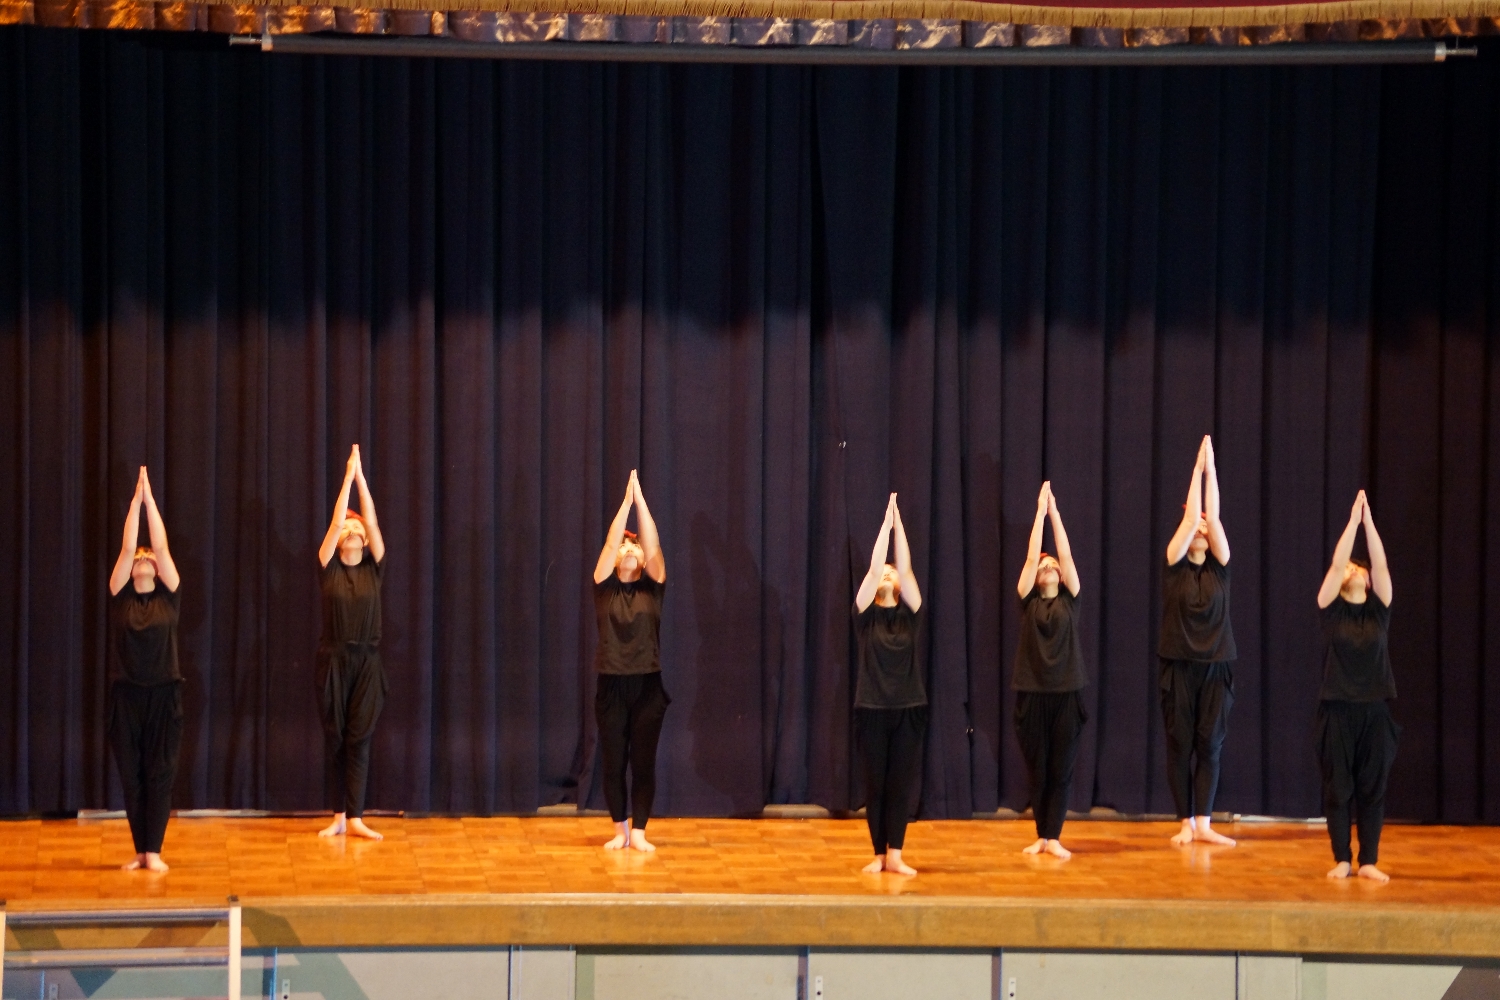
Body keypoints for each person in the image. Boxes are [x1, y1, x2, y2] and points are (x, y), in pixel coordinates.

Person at [1159, 435, 1238, 847]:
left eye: (1206, 525)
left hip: (1216, 664)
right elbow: (1193, 521)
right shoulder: (1174, 564)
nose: (1202, 528)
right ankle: (1186, 821)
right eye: (1196, 525)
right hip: (1178, 663)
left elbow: (1215, 518)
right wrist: (1197, 469)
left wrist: (1212, 473)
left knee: (1211, 742)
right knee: (1181, 742)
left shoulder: (1220, 568)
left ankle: (1205, 823)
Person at [1315, 490, 1396, 883]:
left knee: (1371, 788)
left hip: (1374, 709)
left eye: (1355, 567)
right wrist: (1351, 522)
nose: (1352, 570)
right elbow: (1334, 567)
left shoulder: (1380, 610)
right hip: (1337, 708)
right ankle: (1342, 858)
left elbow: (1379, 563)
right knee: (1338, 787)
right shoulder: (1333, 611)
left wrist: (1370, 524)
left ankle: (1368, 861)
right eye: (1349, 569)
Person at [107, 467, 184, 872]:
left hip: (164, 693)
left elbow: (162, 546)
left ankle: (153, 851)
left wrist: (151, 501)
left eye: (147, 557)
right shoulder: (120, 597)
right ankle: (141, 850)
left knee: (160, 773)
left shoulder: (169, 597)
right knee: (132, 776)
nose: (143, 558)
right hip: (127, 696)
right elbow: (125, 550)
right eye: (140, 558)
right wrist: (134, 504)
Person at [592, 469, 669, 852]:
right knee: (612, 763)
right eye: (626, 546)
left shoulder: (651, 590)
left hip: (647, 686)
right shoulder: (604, 590)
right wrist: (624, 506)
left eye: (633, 547)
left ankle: (639, 830)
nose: (629, 548)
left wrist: (641, 503)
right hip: (611, 684)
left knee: (643, 760)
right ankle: (620, 827)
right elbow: (609, 546)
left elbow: (652, 547)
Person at [852, 493, 926, 876]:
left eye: (891, 572)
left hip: (908, 708)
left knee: (899, 784)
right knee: (875, 784)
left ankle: (895, 854)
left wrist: (900, 530)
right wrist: (885, 526)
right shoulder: (865, 618)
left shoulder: (909, 616)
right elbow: (870, 570)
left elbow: (908, 570)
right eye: (885, 570)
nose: (887, 573)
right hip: (872, 709)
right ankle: (879, 853)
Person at [316, 444, 387, 841]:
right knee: (337, 736)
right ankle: (339, 814)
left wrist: (361, 480)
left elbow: (373, 524)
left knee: (360, 736)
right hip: (333, 661)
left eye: (357, 528)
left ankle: (356, 816)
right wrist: (345, 480)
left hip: (367, 662)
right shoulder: (328, 568)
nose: (355, 531)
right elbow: (334, 524)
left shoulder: (375, 568)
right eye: (349, 528)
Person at [1013, 482, 1087, 860]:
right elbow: (1029, 562)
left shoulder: (1070, 600)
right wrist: (1039, 514)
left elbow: (1068, 557)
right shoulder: (1027, 602)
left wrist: (1055, 514)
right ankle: (1041, 834)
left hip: (1066, 693)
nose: (1047, 566)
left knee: (1060, 768)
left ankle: (1053, 836)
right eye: (1043, 565)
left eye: (1050, 564)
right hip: (1032, 693)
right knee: (1038, 769)